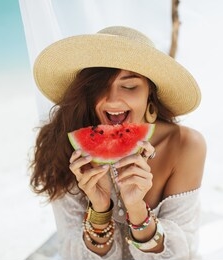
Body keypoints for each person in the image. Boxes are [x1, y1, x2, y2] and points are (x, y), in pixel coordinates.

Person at [30, 26, 207, 260]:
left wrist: (137, 210)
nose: (112, 99)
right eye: (100, 87)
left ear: (149, 94)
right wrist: (100, 210)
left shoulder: (185, 145)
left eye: (129, 86)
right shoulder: (66, 144)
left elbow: (181, 256)